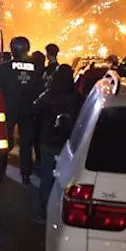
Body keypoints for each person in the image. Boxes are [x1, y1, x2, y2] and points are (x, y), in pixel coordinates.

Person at [33, 65, 79, 220]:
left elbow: (35, 109)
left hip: (48, 140)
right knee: (66, 177)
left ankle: (44, 211)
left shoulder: (48, 95)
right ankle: (61, 211)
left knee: (47, 175)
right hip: (68, 143)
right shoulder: (77, 97)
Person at [0, 36, 42, 184]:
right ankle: (26, 174)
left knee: (3, 140)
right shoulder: (36, 68)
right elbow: (39, 89)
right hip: (28, 109)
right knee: (26, 143)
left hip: (9, 107)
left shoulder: (3, 68)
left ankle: (1, 170)